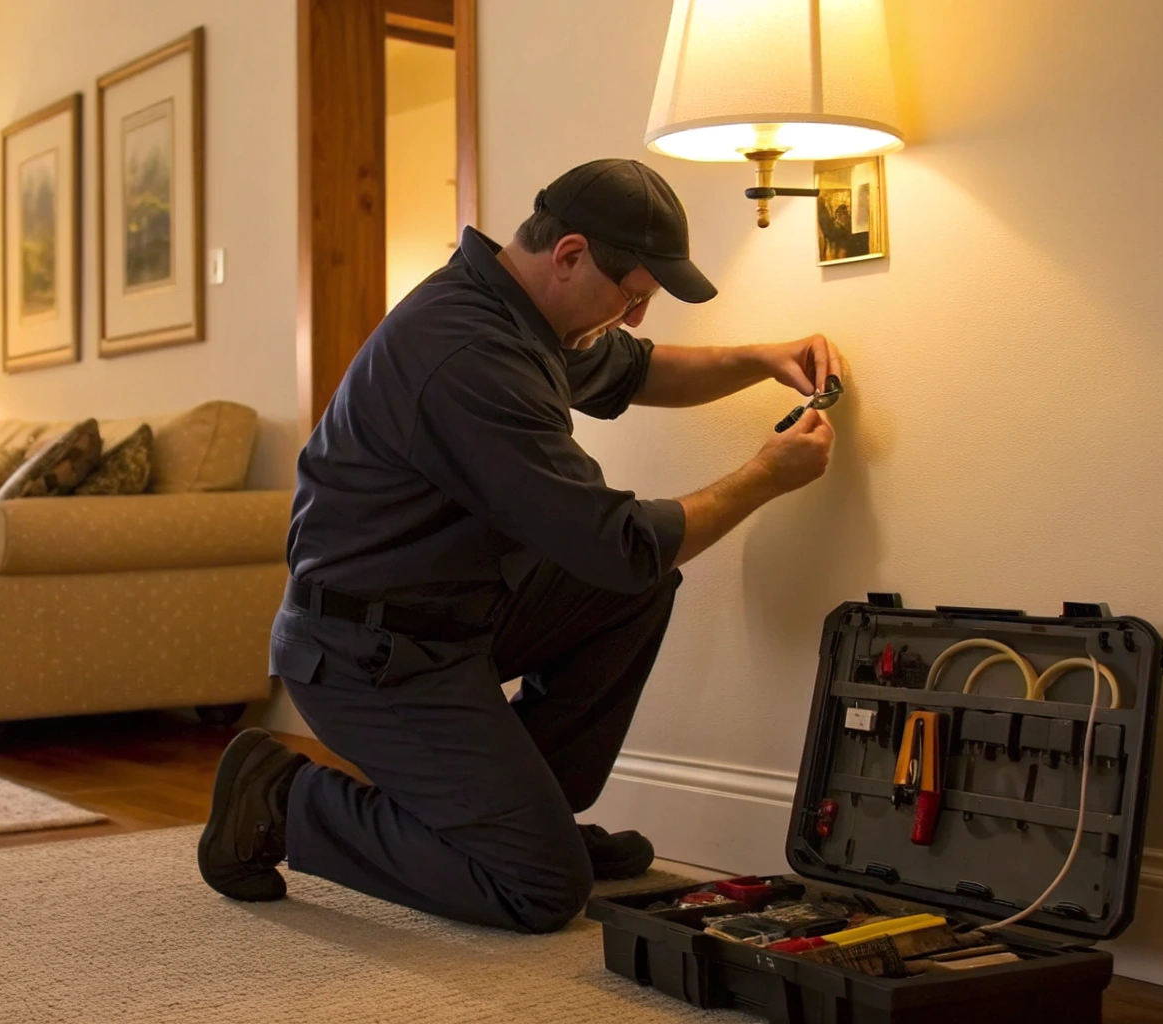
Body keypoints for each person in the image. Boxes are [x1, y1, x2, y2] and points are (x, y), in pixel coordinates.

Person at [197, 158, 842, 934]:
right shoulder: (468, 354)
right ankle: (280, 798)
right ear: (569, 254)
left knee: (631, 590)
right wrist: (766, 477)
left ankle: (520, 804)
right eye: (632, 296)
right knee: (538, 886)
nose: (635, 319)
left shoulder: (514, 311)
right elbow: (620, 543)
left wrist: (759, 359)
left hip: (446, 619)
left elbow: (633, 372)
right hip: (362, 654)